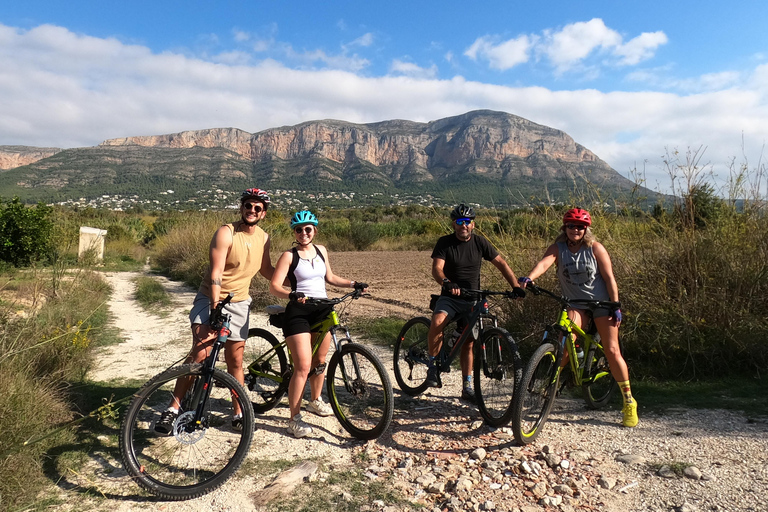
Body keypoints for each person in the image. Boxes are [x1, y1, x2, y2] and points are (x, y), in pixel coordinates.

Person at [155, 188, 275, 434]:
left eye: (257, 208)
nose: (252, 210)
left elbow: (266, 271)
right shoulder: (226, 232)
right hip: (211, 297)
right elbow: (216, 272)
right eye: (248, 205)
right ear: (241, 208)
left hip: (240, 303)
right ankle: (173, 409)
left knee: (236, 361)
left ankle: (238, 412)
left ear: (263, 213)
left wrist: (294, 284)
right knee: (201, 354)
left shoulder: (264, 238)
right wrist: (215, 308)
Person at [517, 208, 638, 428]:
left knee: (611, 351)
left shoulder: (595, 248)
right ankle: (553, 387)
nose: (575, 230)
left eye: (580, 227)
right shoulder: (558, 248)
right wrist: (530, 278)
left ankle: (628, 400)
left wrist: (615, 304)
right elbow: (544, 263)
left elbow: (609, 277)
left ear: (586, 229)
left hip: (601, 303)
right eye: (571, 226)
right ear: (565, 228)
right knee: (565, 338)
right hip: (575, 304)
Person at [269, 210, 368, 438]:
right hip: (299, 313)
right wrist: (291, 295)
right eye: (298, 229)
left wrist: (354, 283)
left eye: (308, 229)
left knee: (320, 360)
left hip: (322, 309)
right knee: (303, 367)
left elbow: (330, 278)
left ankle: (314, 400)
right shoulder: (288, 255)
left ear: (314, 230)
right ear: (294, 232)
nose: (303, 233)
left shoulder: (321, 251)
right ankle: (293, 419)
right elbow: (275, 286)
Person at [427, 203, 525, 403]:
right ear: (454, 224)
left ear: (473, 224)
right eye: (459, 222)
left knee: (468, 343)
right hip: (450, 297)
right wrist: (446, 282)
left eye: (467, 222)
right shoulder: (444, 243)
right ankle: (432, 366)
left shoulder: (480, 243)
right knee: (437, 322)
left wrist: (515, 287)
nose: (464, 225)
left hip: (472, 298)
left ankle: (467, 387)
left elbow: (501, 264)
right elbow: (437, 268)